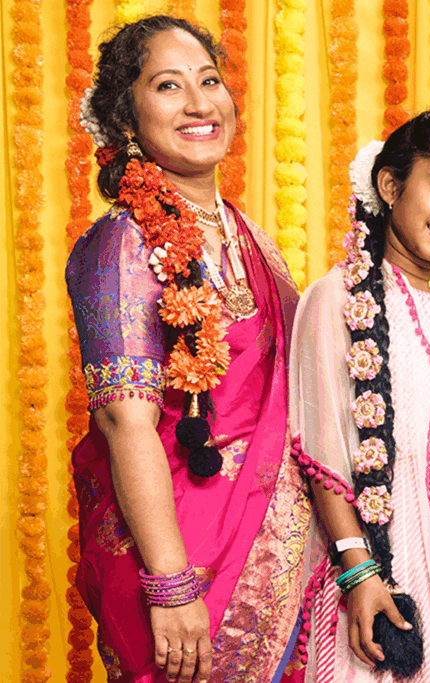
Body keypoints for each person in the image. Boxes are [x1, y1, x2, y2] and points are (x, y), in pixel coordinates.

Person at [66, 16, 308, 683]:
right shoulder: (120, 245)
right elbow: (125, 419)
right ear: (125, 119)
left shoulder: (253, 238)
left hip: (279, 549)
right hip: (176, 556)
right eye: (169, 86)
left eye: (210, 80)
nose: (202, 103)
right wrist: (170, 584)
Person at [287, 111, 430, 683]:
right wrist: (360, 574)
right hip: (389, 556)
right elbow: (321, 452)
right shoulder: (334, 298)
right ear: (390, 187)